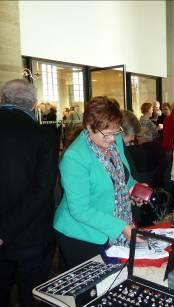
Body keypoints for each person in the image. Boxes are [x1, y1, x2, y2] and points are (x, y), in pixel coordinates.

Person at [54, 96, 139, 269]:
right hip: (81, 234)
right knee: (94, 289)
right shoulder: (74, 157)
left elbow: (124, 177)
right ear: (88, 127)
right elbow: (80, 210)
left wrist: (134, 188)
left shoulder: (114, 141)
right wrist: (122, 227)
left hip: (113, 222)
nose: (112, 139)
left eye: (116, 132)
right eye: (106, 134)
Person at [0, 79, 59, 307]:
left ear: (3, 99)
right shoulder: (43, 136)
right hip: (32, 235)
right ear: (34, 104)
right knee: (31, 296)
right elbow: (42, 190)